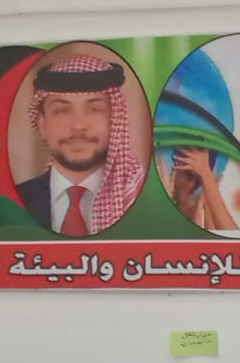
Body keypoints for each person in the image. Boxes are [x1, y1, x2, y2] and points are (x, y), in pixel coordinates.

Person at [14, 54, 147, 235]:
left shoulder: (142, 200)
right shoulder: (12, 204)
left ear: (115, 120)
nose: (78, 125)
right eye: (62, 110)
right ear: (42, 124)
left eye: (95, 109)